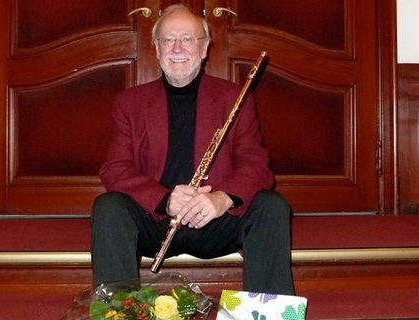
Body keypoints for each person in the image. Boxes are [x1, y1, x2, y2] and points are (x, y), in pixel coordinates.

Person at [91, 4, 295, 295]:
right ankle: (118, 312)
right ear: (157, 49)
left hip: (214, 220)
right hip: (156, 221)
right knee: (108, 208)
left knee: (271, 206)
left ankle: (268, 315)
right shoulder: (129, 103)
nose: (177, 47)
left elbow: (256, 166)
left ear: (204, 49)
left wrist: (222, 200)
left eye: (187, 39)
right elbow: (115, 169)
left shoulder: (234, 98)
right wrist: (164, 200)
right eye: (168, 39)